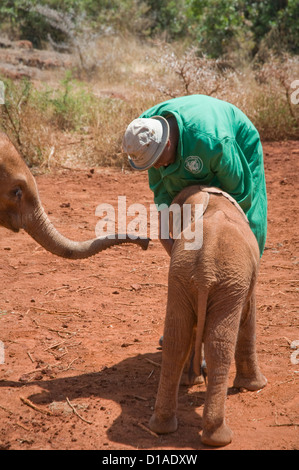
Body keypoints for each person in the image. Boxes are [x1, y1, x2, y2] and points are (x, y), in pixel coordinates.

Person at [122, 94, 267, 257]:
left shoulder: (214, 142)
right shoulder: (143, 133)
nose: (155, 167)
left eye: (156, 161)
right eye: (150, 163)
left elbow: (240, 193)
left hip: (236, 139)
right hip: (198, 146)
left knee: (247, 218)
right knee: (182, 209)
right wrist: (166, 235)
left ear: (167, 143)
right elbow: (161, 190)